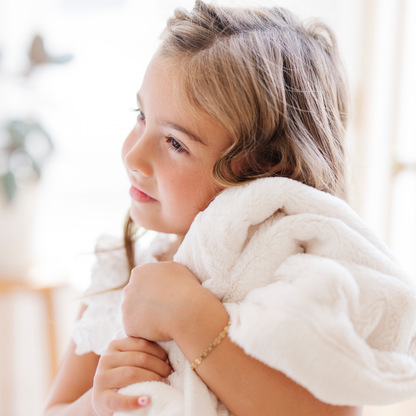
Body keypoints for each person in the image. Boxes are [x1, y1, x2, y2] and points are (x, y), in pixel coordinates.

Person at [43, 2, 416, 416]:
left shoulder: (298, 285)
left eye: (175, 143)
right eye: (141, 116)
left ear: (266, 170)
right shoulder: (119, 275)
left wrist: (191, 319)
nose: (134, 156)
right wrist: (94, 404)